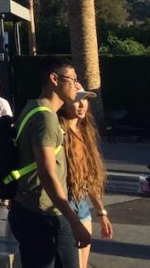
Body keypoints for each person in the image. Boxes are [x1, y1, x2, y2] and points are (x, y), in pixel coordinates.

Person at [8, 56, 91, 268]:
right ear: (54, 79)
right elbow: (47, 173)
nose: (75, 84)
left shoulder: (32, 108)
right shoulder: (45, 118)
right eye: (71, 79)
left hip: (38, 210)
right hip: (41, 214)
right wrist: (75, 221)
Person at [59, 85, 113, 268]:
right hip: (63, 206)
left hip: (81, 206)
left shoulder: (85, 132)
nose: (82, 105)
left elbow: (88, 178)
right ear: (65, 103)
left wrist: (101, 211)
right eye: (76, 100)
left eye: (85, 100)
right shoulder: (58, 133)